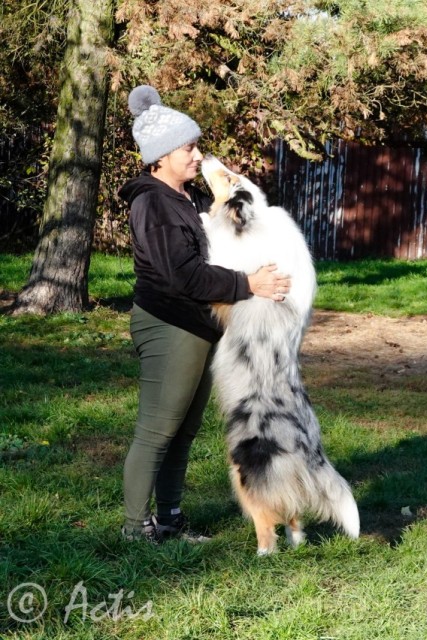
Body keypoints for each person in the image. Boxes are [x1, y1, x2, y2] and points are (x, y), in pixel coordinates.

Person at [118, 85, 291, 543]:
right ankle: (135, 532)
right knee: (158, 430)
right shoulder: (151, 202)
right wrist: (247, 285)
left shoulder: (187, 199)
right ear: (162, 155)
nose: (198, 156)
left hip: (199, 329)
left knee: (183, 431)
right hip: (169, 325)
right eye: (189, 148)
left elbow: (220, 253)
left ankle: (170, 522)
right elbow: (184, 276)